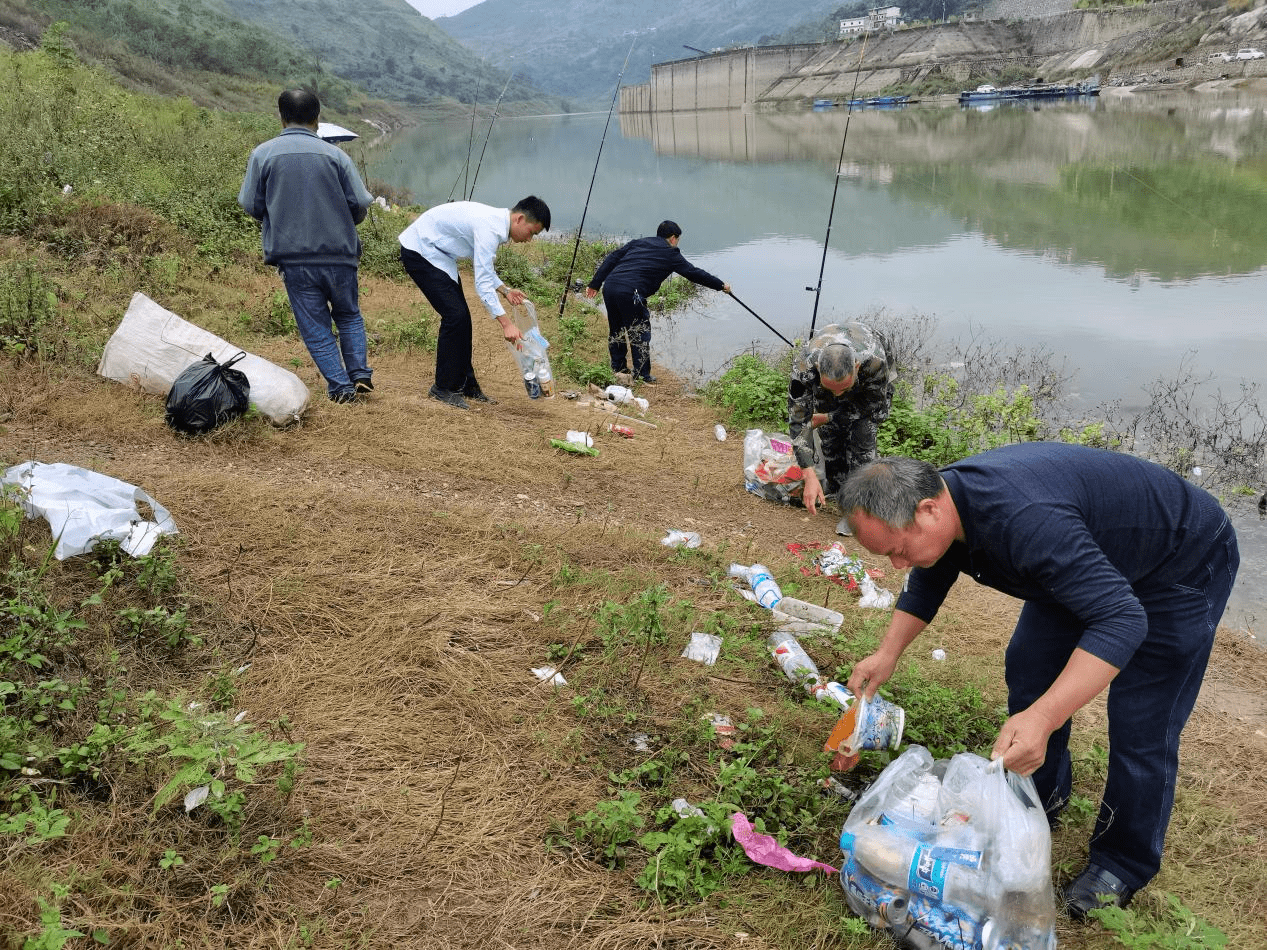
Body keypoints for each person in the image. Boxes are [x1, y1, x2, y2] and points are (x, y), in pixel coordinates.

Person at [837, 444, 1240, 920]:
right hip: (1090, 555)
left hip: (1180, 558)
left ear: (929, 510)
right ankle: (1041, 799)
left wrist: (1047, 717)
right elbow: (929, 573)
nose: (897, 566)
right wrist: (887, 655)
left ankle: (1122, 864)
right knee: (1030, 665)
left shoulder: (1025, 520)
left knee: (1141, 722)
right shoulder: (944, 510)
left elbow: (1121, 620)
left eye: (897, 551)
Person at [238, 90, 374, 404]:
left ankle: (341, 388)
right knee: (349, 314)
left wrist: (276, 214)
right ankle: (360, 374)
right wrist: (343, 221)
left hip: (294, 256)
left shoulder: (264, 154)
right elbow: (360, 204)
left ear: (281, 116)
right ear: (317, 118)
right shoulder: (336, 156)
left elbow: (251, 204)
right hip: (340, 253)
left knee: (315, 324)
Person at [397, 197, 551, 410]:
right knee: (455, 317)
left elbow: (484, 268)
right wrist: (506, 323)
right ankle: (442, 388)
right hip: (421, 251)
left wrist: (505, 291)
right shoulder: (489, 227)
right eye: (532, 232)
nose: (530, 239)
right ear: (520, 219)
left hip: (440, 255)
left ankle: (466, 384)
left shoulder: (496, 225)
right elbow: (483, 283)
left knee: (462, 320)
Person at [584, 220, 729, 384]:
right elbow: (693, 273)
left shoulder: (637, 243)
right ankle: (641, 375)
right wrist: (720, 285)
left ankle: (619, 368)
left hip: (610, 287)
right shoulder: (670, 253)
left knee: (616, 329)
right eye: (678, 240)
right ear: (673, 238)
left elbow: (612, 258)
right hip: (632, 292)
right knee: (640, 331)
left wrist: (595, 283)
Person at [787, 321, 896, 526]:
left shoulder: (874, 363)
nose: (838, 394)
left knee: (863, 439)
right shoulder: (805, 368)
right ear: (818, 369)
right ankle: (837, 491)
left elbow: (870, 408)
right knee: (829, 438)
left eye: (843, 388)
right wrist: (808, 474)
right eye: (832, 389)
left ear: (856, 367)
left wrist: (829, 416)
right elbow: (799, 421)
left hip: (868, 381)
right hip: (833, 369)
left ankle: (859, 507)